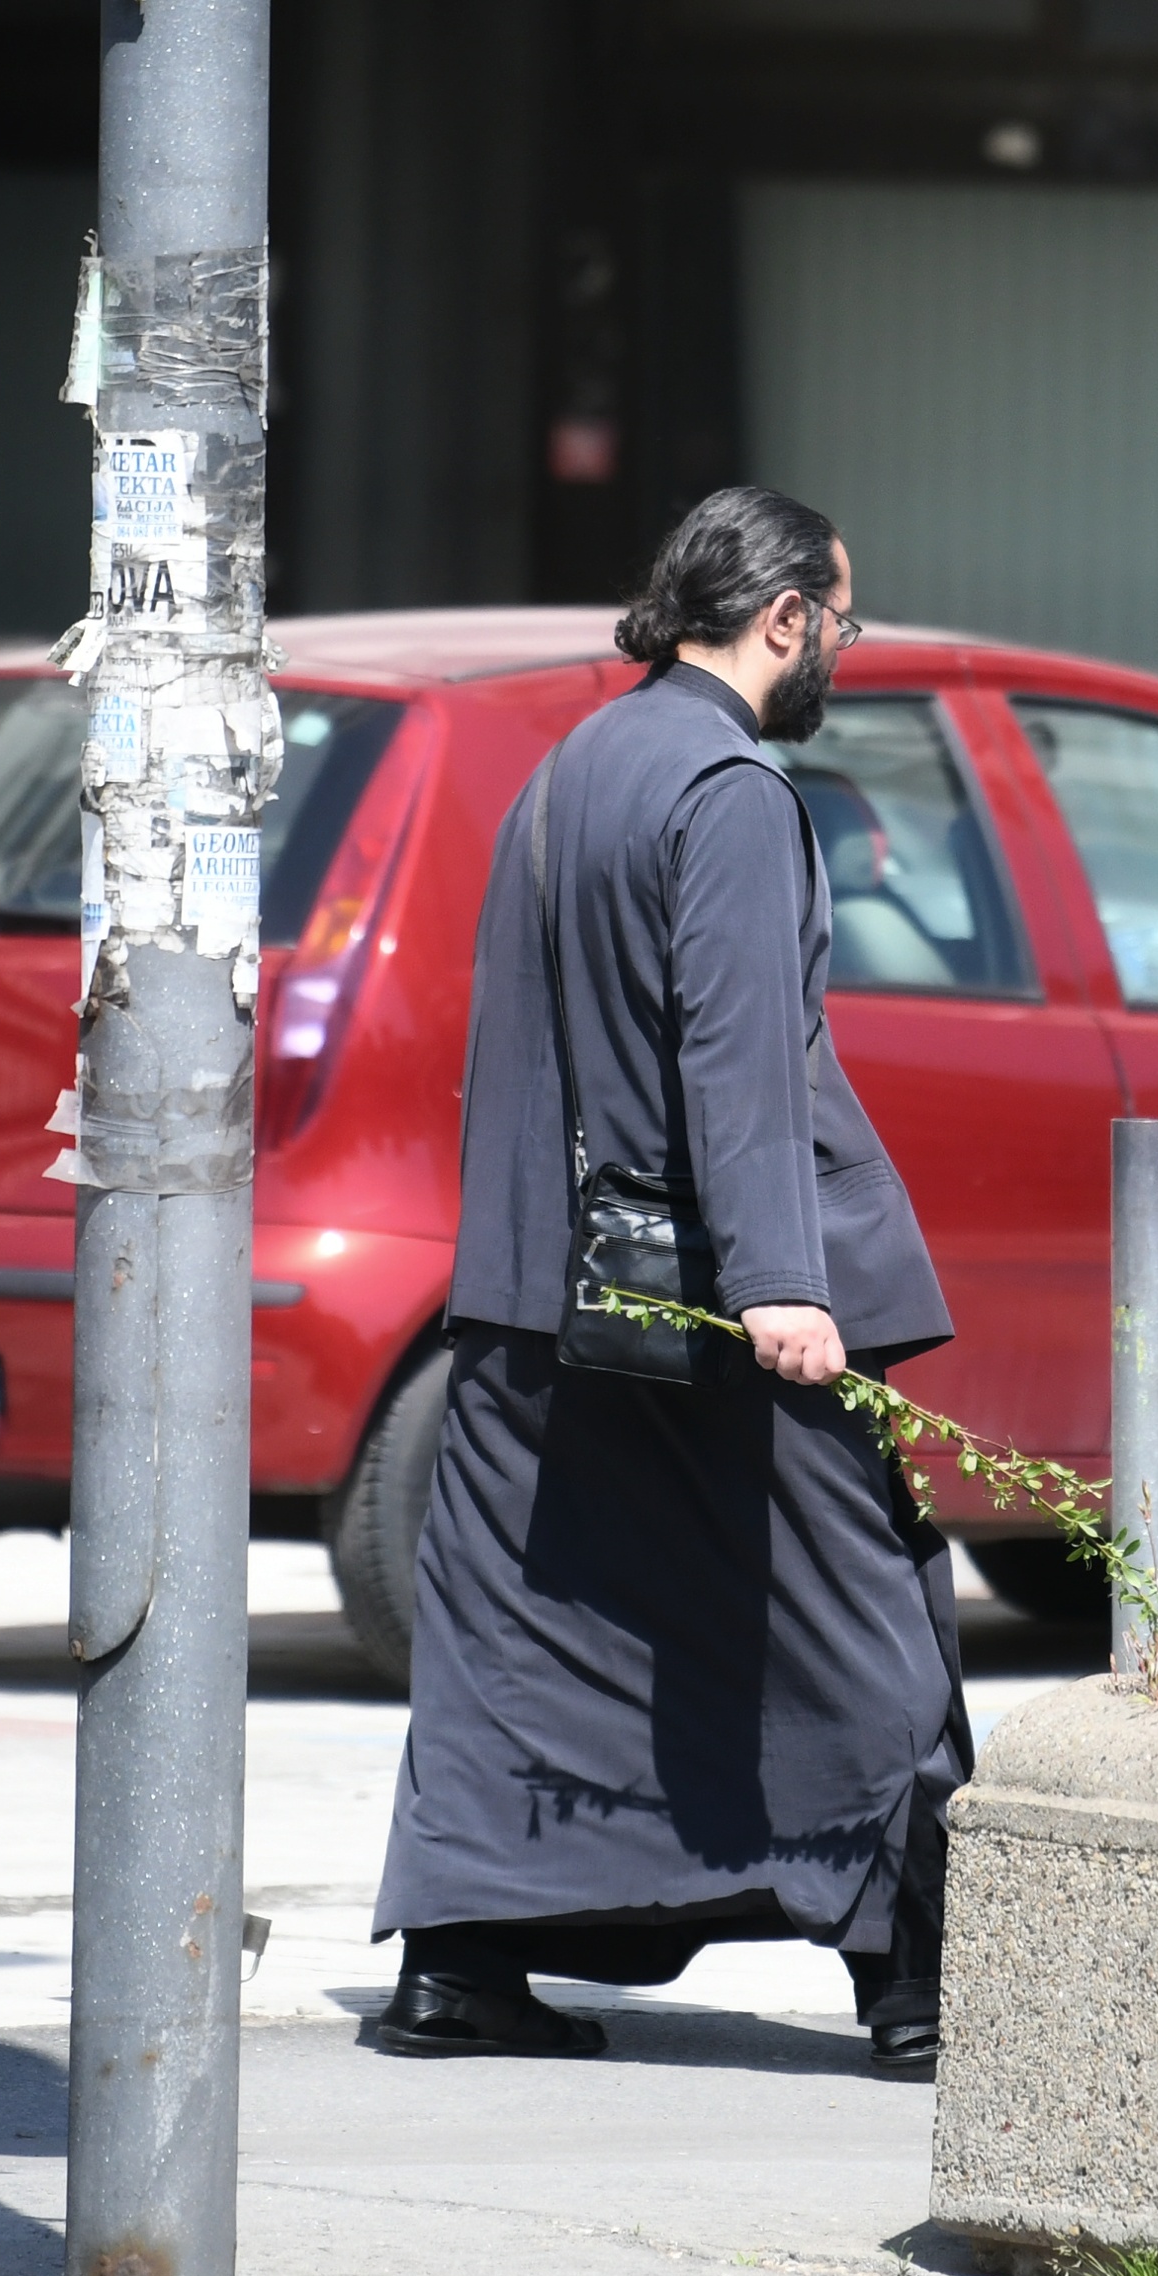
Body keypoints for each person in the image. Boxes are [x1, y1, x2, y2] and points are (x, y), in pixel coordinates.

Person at [369, 484, 969, 2072]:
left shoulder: (571, 770)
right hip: (716, 1304)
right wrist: (782, 1281)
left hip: (538, 1297)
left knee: (524, 1636)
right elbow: (738, 1057)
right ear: (783, 619)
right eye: (842, 622)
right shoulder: (737, 791)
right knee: (864, 1611)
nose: (843, 649)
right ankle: (918, 1983)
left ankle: (461, 1964)